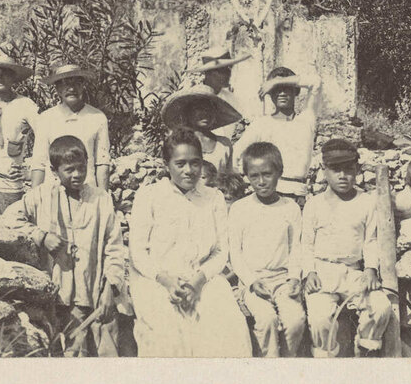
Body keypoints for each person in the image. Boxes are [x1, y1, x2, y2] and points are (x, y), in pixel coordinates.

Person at [127, 131, 251, 358]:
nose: (189, 170)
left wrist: (197, 281)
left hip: (203, 280)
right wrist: (166, 281)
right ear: (167, 164)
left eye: (195, 163)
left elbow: (220, 251)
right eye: (180, 163)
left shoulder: (214, 197)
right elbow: (138, 252)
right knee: (167, 335)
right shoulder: (149, 196)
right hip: (157, 282)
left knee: (229, 328)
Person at [18, 135, 126, 356]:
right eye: (69, 170)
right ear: (54, 170)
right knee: (64, 352)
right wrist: (41, 236)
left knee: (99, 353)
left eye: (81, 168)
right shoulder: (40, 196)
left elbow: (114, 246)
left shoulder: (101, 199)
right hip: (55, 294)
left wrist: (110, 288)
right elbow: (10, 220)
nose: (77, 174)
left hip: (92, 293)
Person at [300, 139, 394, 357]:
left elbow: (371, 240)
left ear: (357, 170)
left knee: (380, 307)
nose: (343, 176)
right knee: (320, 318)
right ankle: (327, 357)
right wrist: (309, 272)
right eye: (336, 169)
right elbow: (306, 244)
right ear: (324, 169)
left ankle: (365, 349)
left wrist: (370, 269)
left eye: (349, 169)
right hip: (322, 273)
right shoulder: (315, 204)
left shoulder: (366, 202)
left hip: (353, 273)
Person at [227, 142, 308, 357]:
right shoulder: (239, 209)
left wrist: (294, 278)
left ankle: (287, 362)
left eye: (267, 174)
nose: (261, 182)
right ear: (247, 176)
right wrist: (252, 282)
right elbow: (235, 253)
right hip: (253, 282)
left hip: (282, 280)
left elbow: (296, 247)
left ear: (279, 172)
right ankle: (268, 364)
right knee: (266, 320)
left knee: (295, 320)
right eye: (254, 176)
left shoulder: (290, 208)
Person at [234, 67, 320, 201]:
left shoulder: (306, 120)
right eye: (276, 89)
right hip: (268, 196)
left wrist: (275, 82)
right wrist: (246, 180)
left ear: (295, 91)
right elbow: (235, 154)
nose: (282, 93)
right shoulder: (261, 124)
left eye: (286, 88)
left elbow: (316, 82)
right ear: (270, 93)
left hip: (299, 195)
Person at [33, 63, 111, 191]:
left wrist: (103, 197)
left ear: (83, 86)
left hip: (86, 190)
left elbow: (102, 162)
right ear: (57, 89)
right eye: (65, 84)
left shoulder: (97, 117)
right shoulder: (46, 118)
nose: (71, 88)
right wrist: (35, 196)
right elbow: (39, 162)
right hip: (53, 190)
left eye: (76, 83)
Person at [0, 52, 40, 211]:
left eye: (4, 73)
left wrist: (31, 171)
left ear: (13, 77)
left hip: (11, 187)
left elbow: (45, 139)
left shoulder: (26, 105)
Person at [160, 85, 243, 191]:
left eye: (209, 109)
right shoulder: (179, 143)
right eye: (199, 109)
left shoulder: (224, 144)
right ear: (188, 112)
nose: (205, 113)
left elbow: (229, 178)